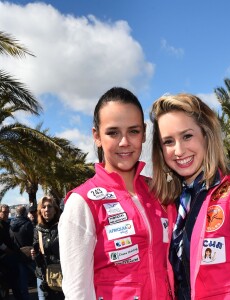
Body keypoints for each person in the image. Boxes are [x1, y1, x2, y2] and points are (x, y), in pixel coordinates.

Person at [150, 93, 230, 300]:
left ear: (206, 135)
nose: (179, 150)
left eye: (187, 136)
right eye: (168, 141)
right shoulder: (172, 203)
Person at [58, 87, 173, 300]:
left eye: (133, 131)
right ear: (97, 136)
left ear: (144, 133)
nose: (124, 142)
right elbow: (77, 292)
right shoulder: (82, 203)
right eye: (113, 132)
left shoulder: (160, 192)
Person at [31, 196, 64, 300]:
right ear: (40, 210)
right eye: (43, 207)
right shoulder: (38, 229)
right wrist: (35, 254)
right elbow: (38, 256)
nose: (47, 209)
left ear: (55, 209)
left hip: (62, 275)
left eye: (49, 206)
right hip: (43, 276)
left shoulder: (63, 226)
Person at [10, 205, 35, 300]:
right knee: (39, 276)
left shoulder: (11, 225)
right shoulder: (28, 224)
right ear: (25, 213)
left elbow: (11, 239)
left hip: (19, 255)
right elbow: (33, 239)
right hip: (29, 254)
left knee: (23, 280)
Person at [0, 204, 23, 299]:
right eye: (4, 212)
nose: (6, 214)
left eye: (7, 212)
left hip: (9, 256)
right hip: (3, 257)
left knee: (12, 281)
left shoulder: (8, 223)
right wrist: (8, 250)